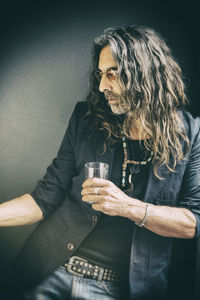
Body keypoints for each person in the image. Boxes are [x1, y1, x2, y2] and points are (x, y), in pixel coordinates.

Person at [0, 25, 200, 300]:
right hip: (50, 270)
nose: (103, 85)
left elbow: (193, 223)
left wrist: (127, 206)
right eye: (100, 74)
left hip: (119, 289)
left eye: (112, 74)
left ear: (144, 73)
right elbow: (45, 198)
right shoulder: (87, 119)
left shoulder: (191, 134)